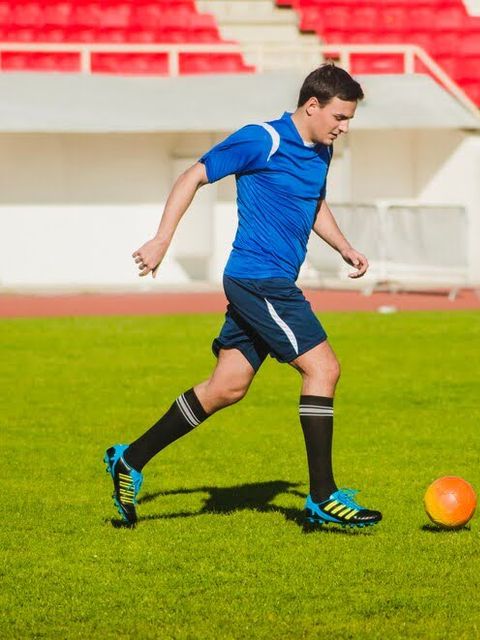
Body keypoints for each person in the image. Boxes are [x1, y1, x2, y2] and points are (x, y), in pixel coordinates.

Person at [104, 63, 382, 529]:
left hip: (271, 281)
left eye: (349, 118)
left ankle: (129, 459)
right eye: (339, 117)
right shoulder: (261, 138)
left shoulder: (321, 151)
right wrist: (161, 240)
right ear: (312, 106)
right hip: (259, 279)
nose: (344, 127)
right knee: (323, 368)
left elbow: (311, 202)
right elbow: (193, 175)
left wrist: (345, 246)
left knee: (226, 387)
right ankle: (323, 496)